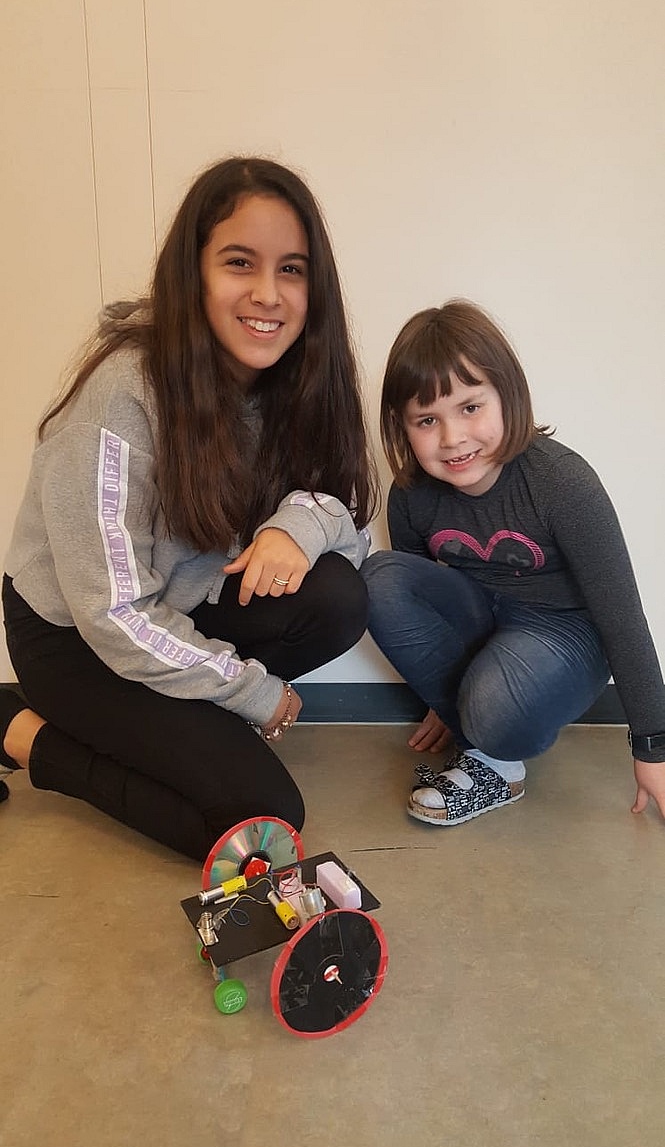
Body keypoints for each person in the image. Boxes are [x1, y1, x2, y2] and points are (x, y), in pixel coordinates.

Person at [0, 156, 378, 859]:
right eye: (239, 263)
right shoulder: (121, 398)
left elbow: (352, 522)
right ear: (193, 271)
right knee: (260, 825)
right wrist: (250, 691)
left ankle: (185, 727)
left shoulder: (293, 377)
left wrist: (296, 530)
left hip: (181, 598)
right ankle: (20, 733)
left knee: (337, 596)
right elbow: (113, 614)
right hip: (76, 635)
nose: (267, 294)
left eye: (291, 269)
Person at [360, 300, 665, 826]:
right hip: (485, 623)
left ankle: (493, 748)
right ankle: (487, 750)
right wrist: (441, 701)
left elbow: (621, 616)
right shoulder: (412, 494)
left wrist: (653, 747)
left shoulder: (561, 482)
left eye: (470, 407)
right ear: (402, 426)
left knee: (494, 703)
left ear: (508, 396)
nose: (452, 438)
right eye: (427, 420)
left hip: (563, 633)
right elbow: (423, 604)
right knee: (379, 579)